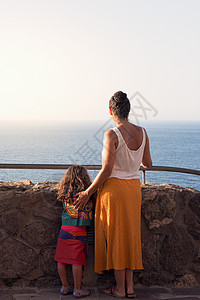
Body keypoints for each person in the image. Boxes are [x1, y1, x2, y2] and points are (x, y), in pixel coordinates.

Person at [74, 91, 152, 298]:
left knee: (117, 238)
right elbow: (148, 164)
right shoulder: (143, 132)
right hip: (133, 189)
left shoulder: (111, 134)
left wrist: (88, 192)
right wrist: (133, 161)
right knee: (130, 236)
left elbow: (107, 169)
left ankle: (119, 289)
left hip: (114, 191)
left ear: (111, 111)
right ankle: (130, 288)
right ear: (128, 110)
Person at [54, 165, 96, 298]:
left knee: (61, 260)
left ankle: (65, 286)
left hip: (64, 231)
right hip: (79, 233)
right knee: (77, 262)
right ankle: (78, 289)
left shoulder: (64, 194)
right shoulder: (87, 195)